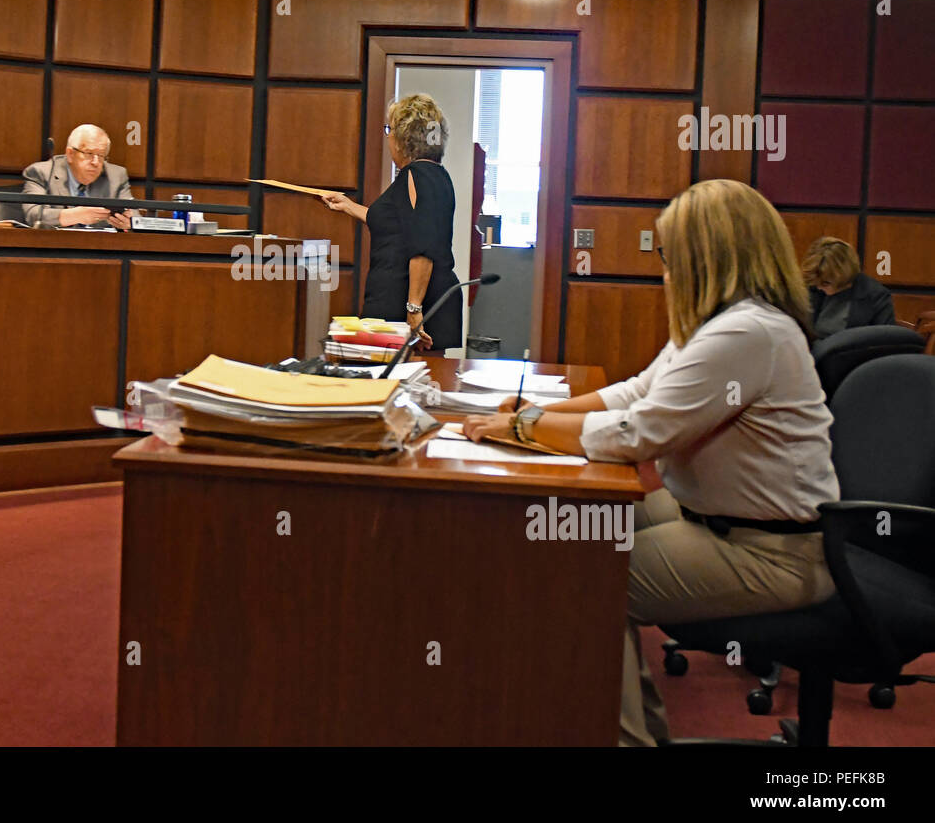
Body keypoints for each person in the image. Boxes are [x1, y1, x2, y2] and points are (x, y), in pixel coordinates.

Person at [462, 179, 840, 747]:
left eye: (668, 255)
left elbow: (640, 435)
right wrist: (539, 411)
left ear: (705, 256)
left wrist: (524, 427)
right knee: (569, 532)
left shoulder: (746, 333)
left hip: (771, 552)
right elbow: (637, 392)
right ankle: (640, 729)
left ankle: (623, 736)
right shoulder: (720, 323)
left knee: (586, 577)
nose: (662, 268)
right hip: (715, 518)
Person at [321, 94, 462, 351]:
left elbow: (424, 247)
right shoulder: (431, 175)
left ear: (404, 137)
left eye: (390, 129)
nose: (388, 137)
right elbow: (398, 226)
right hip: (402, 302)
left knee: (405, 384)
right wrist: (349, 206)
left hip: (405, 307)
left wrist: (414, 309)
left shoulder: (417, 176)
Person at [22, 124, 134, 230]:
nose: (96, 162)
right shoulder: (42, 172)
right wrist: (76, 215)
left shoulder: (116, 176)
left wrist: (129, 223)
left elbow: (135, 216)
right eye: (89, 153)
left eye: (101, 155)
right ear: (70, 154)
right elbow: (34, 214)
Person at [802, 236, 895, 340]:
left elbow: (886, 343)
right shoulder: (813, 288)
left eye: (825, 283)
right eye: (816, 282)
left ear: (842, 276)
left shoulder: (876, 296)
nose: (818, 287)